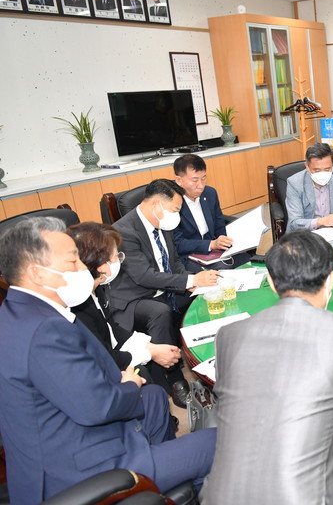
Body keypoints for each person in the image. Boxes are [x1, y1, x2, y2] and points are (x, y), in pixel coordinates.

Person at [0, 217, 216, 504]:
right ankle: (160, 480)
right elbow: (99, 407)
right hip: (83, 468)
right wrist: (128, 384)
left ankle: (162, 481)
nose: (83, 269)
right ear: (38, 274)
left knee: (153, 397)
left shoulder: (22, 311)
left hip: (74, 433)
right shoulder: (44, 331)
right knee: (216, 442)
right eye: (73, 261)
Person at [200, 230, 333, 504]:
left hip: (221, 496)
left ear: (271, 282)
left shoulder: (228, 334)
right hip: (312, 498)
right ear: (331, 280)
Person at [108, 179, 220, 407]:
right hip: (135, 296)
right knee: (160, 312)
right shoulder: (124, 231)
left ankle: (205, 356)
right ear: (156, 204)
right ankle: (174, 377)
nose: (177, 216)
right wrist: (188, 280)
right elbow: (143, 276)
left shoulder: (162, 223)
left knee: (205, 292)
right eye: (175, 210)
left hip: (164, 287)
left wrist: (190, 281)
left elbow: (175, 260)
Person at [68, 222, 181, 387]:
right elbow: (103, 355)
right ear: (102, 266)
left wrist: (151, 347)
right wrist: (151, 353)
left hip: (109, 356)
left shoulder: (96, 289)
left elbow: (112, 329)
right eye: (116, 256)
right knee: (143, 375)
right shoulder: (78, 305)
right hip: (97, 375)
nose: (120, 260)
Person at [172, 154, 250, 272]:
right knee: (223, 269)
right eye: (194, 180)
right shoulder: (172, 202)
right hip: (188, 255)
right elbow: (177, 244)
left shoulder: (210, 193)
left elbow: (219, 223)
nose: (201, 185)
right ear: (179, 180)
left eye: (203, 178)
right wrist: (210, 244)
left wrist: (222, 240)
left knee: (247, 259)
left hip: (214, 251)